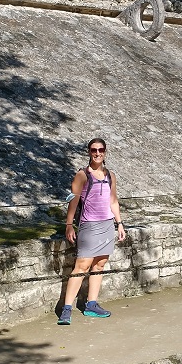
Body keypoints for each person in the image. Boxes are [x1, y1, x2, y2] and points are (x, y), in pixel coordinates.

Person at [58, 138, 126, 325]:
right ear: (89, 152)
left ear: (105, 152)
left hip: (106, 225)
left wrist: (119, 224)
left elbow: (113, 201)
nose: (97, 153)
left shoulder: (110, 175)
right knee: (81, 266)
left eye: (100, 150)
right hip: (89, 226)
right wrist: (69, 225)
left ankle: (91, 304)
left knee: (100, 264)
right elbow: (73, 200)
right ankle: (67, 309)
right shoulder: (82, 175)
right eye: (93, 150)